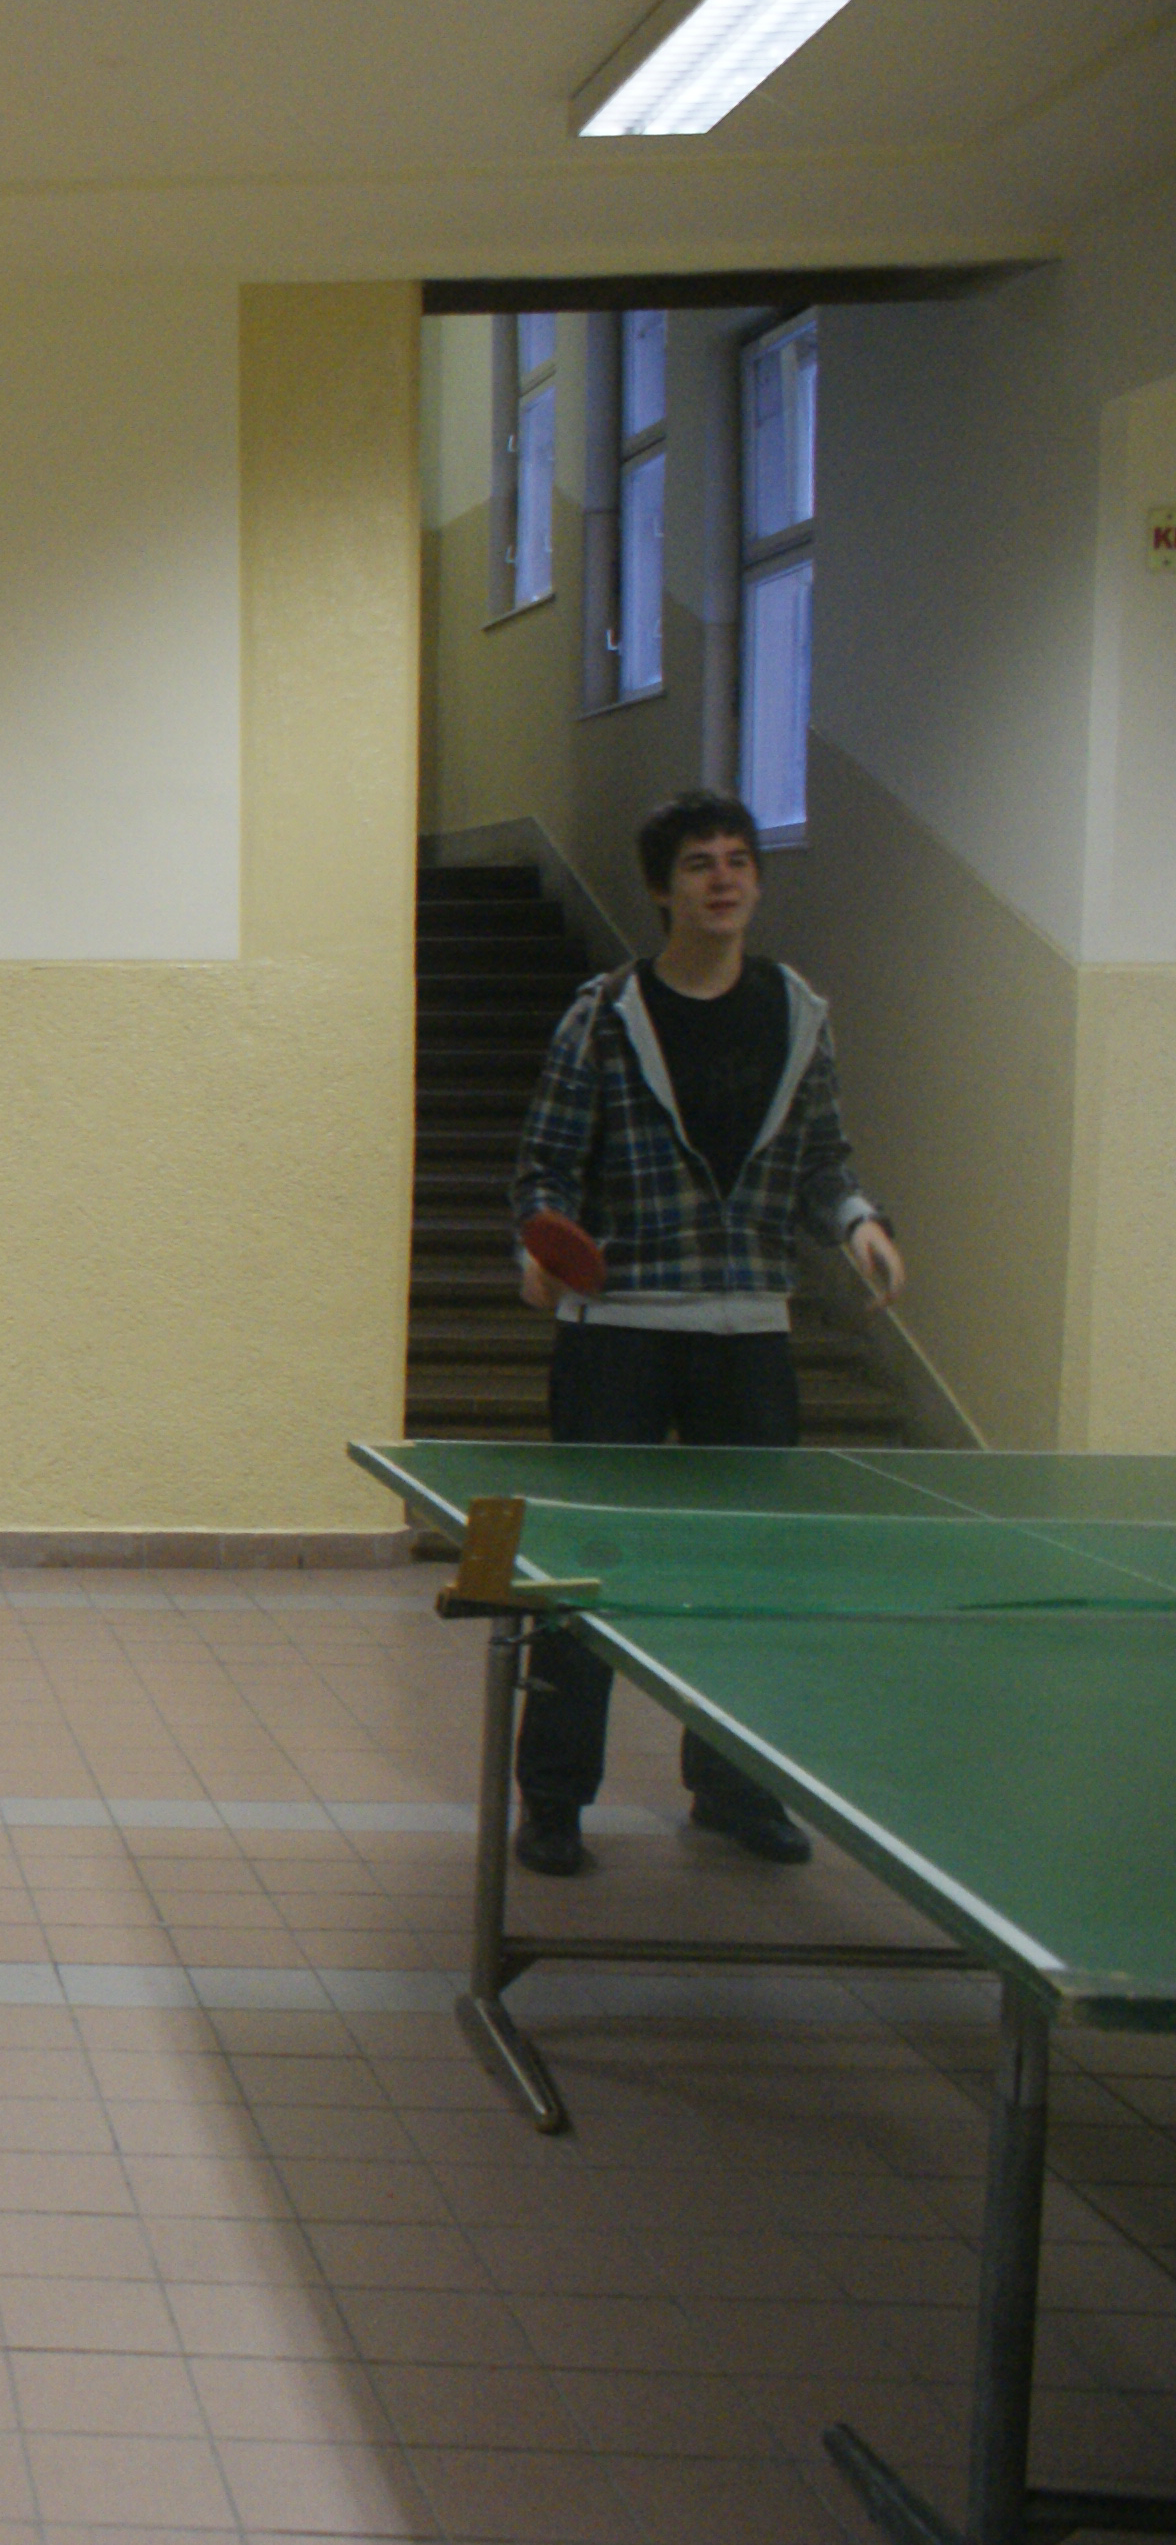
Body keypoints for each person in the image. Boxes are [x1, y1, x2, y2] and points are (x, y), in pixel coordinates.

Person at [505, 788, 907, 1879]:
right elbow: (544, 1164)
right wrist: (539, 1246)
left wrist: (856, 1224)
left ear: (756, 883)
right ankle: (553, 1800)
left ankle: (734, 1789)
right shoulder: (601, 1014)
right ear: (660, 888)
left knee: (747, 1579)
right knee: (582, 1572)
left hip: (748, 1329)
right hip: (617, 1331)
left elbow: (822, 1158)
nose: (722, 878)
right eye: (698, 863)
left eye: (737, 860)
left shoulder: (799, 1013)